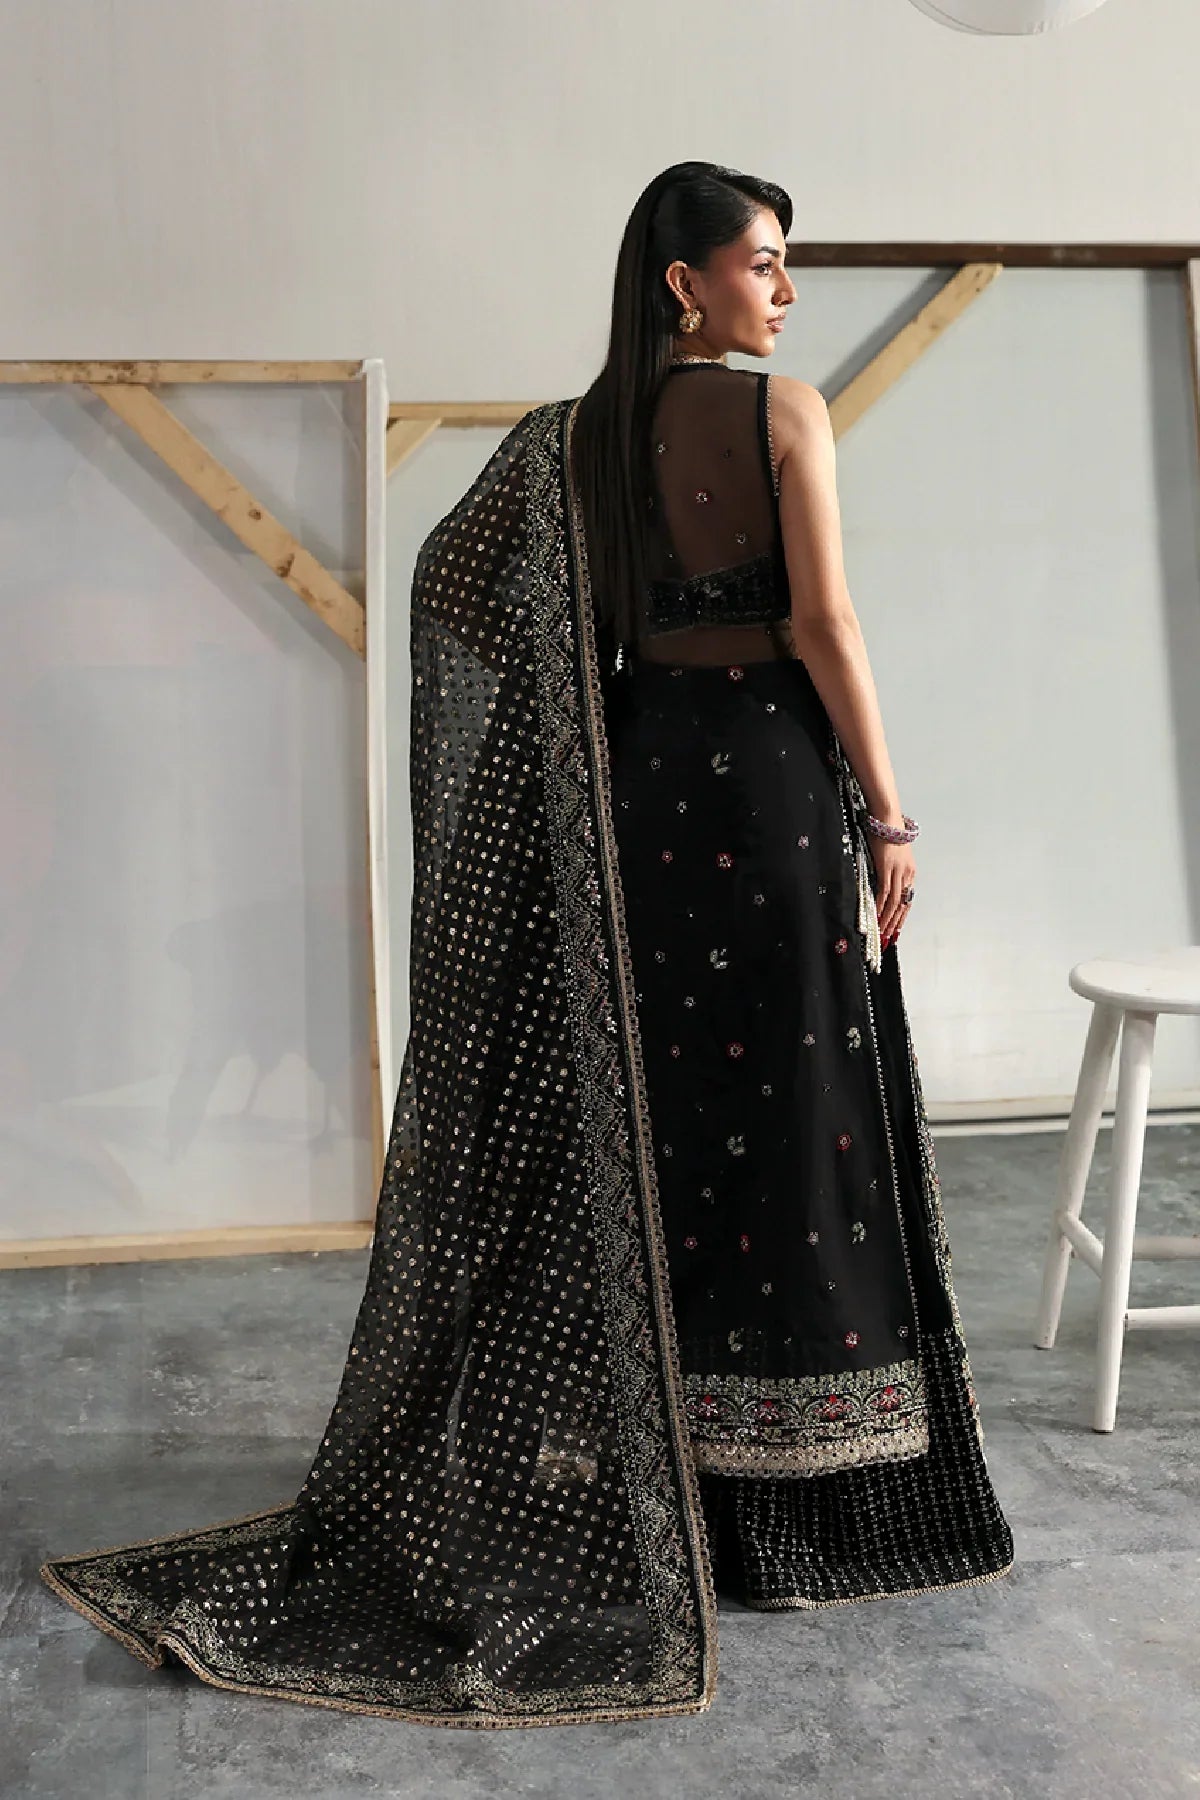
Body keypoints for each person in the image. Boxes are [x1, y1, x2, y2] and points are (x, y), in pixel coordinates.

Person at [39, 161, 1014, 1728]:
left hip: (636, 795)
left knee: (655, 1117)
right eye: (764, 263)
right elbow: (826, 626)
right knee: (790, 1118)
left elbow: (454, 589)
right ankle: (790, 1512)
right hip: (766, 785)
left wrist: (586, 686)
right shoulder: (784, 413)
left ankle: (648, 1469)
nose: (785, 291)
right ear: (685, 281)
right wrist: (891, 815)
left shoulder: (565, 440)